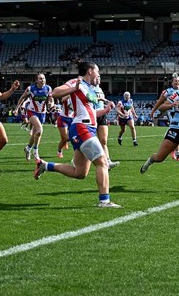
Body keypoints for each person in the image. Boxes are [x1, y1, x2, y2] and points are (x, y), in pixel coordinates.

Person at [34, 61, 121, 208]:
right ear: (90, 71)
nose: (99, 75)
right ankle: (104, 201)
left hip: (86, 128)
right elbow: (54, 92)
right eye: (97, 71)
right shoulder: (76, 82)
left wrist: (106, 110)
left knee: (79, 173)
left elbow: (92, 112)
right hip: (82, 128)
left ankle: (45, 166)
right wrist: (74, 88)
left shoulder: (90, 88)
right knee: (103, 163)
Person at [15, 73, 53, 162]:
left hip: (42, 113)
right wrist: (17, 108)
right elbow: (22, 98)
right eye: (40, 78)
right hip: (32, 111)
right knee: (40, 130)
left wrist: (51, 103)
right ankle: (36, 151)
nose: (42, 80)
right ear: (36, 80)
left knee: (36, 133)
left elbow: (51, 99)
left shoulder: (48, 88)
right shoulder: (30, 88)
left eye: (43, 78)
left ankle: (28, 148)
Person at [150, 73, 179, 161]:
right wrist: (153, 111)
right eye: (175, 81)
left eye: (178, 81)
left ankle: (172, 149)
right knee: (178, 131)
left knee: (176, 132)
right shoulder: (167, 91)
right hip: (172, 113)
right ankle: (178, 155)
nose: (177, 82)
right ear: (172, 82)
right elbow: (159, 102)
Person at [94, 78, 120, 169]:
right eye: (97, 77)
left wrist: (107, 103)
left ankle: (108, 161)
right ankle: (76, 159)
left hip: (102, 114)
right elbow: (88, 98)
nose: (99, 79)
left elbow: (100, 102)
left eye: (99, 77)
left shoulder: (99, 89)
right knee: (89, 141)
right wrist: (102, 99)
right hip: (92, 115)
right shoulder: (88, 88)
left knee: (103, 141)